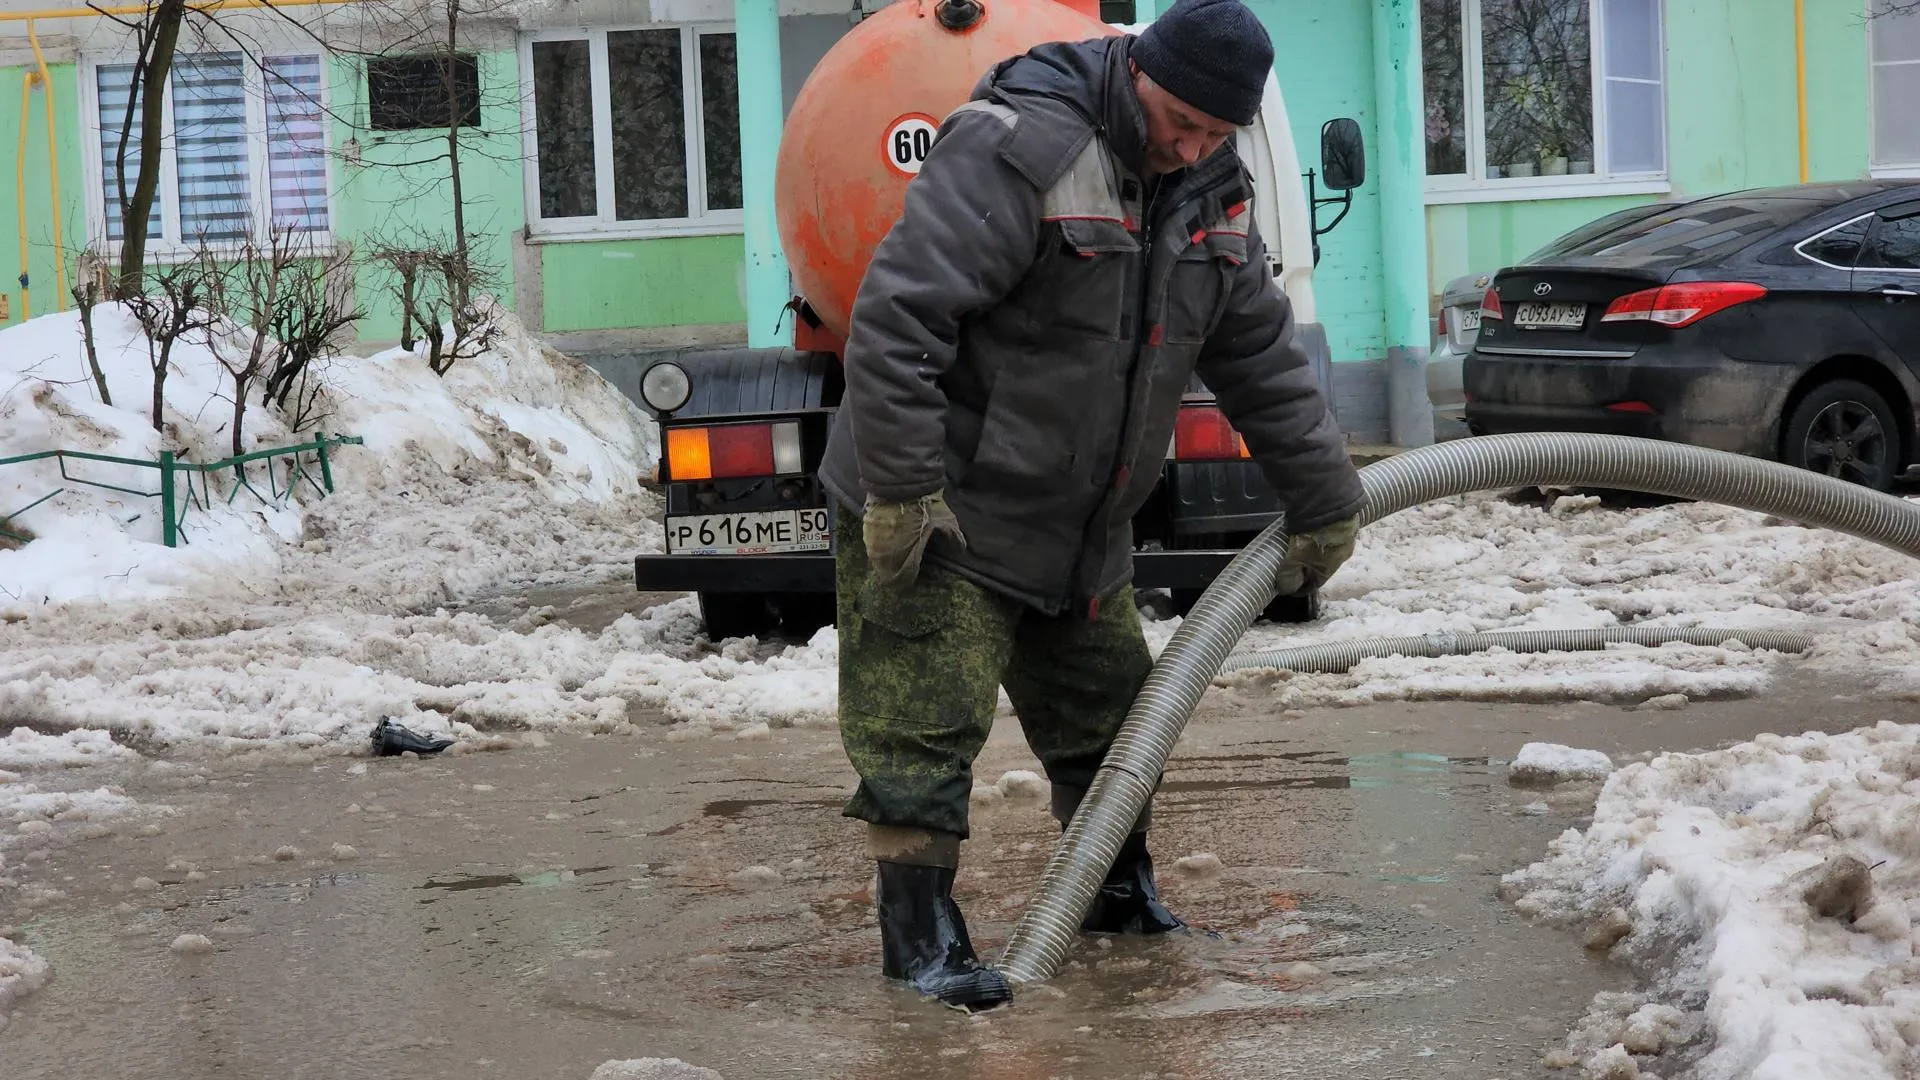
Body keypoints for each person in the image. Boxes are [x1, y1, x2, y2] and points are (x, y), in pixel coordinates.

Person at [815, 0, 1366, 1012]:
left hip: (1079, 525)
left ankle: (1116, 895)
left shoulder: (1214, 191)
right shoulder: (1022, 148)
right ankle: (920, 939)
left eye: (1215, 133)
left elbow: (1259, 356)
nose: (1190, 147)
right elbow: (899, 317)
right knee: (922, 724)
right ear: (1141, 70)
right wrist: (901, 490)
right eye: (1181, 121)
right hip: (947, 501)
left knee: (1115, 719)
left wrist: (1327, 501)